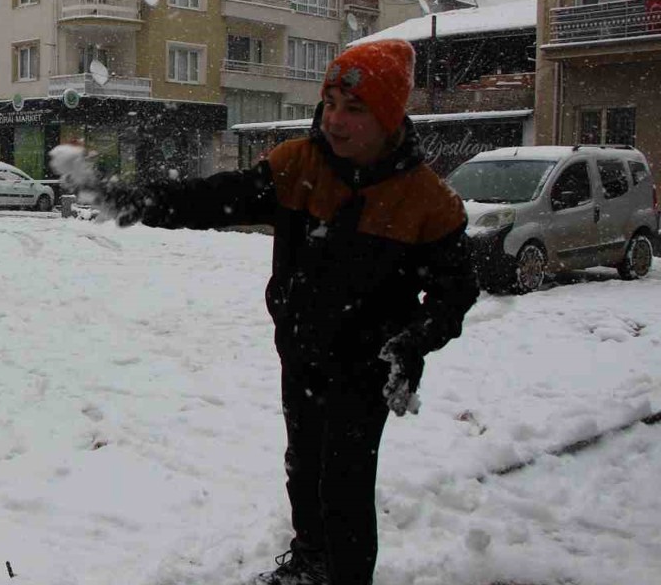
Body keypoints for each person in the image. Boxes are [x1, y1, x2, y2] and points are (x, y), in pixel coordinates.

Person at [65, 40, 478, 585]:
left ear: (389, 118)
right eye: (330, 103)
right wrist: (135, 199)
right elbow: (213, 198)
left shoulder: (426, 200)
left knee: (344, 486)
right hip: (302, 353)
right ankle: (310, 563)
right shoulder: (298, 166)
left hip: (365, 366)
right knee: (304, 471)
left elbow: (456, 293)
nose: (335, 119)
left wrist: (411, 344)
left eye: (355, 109)